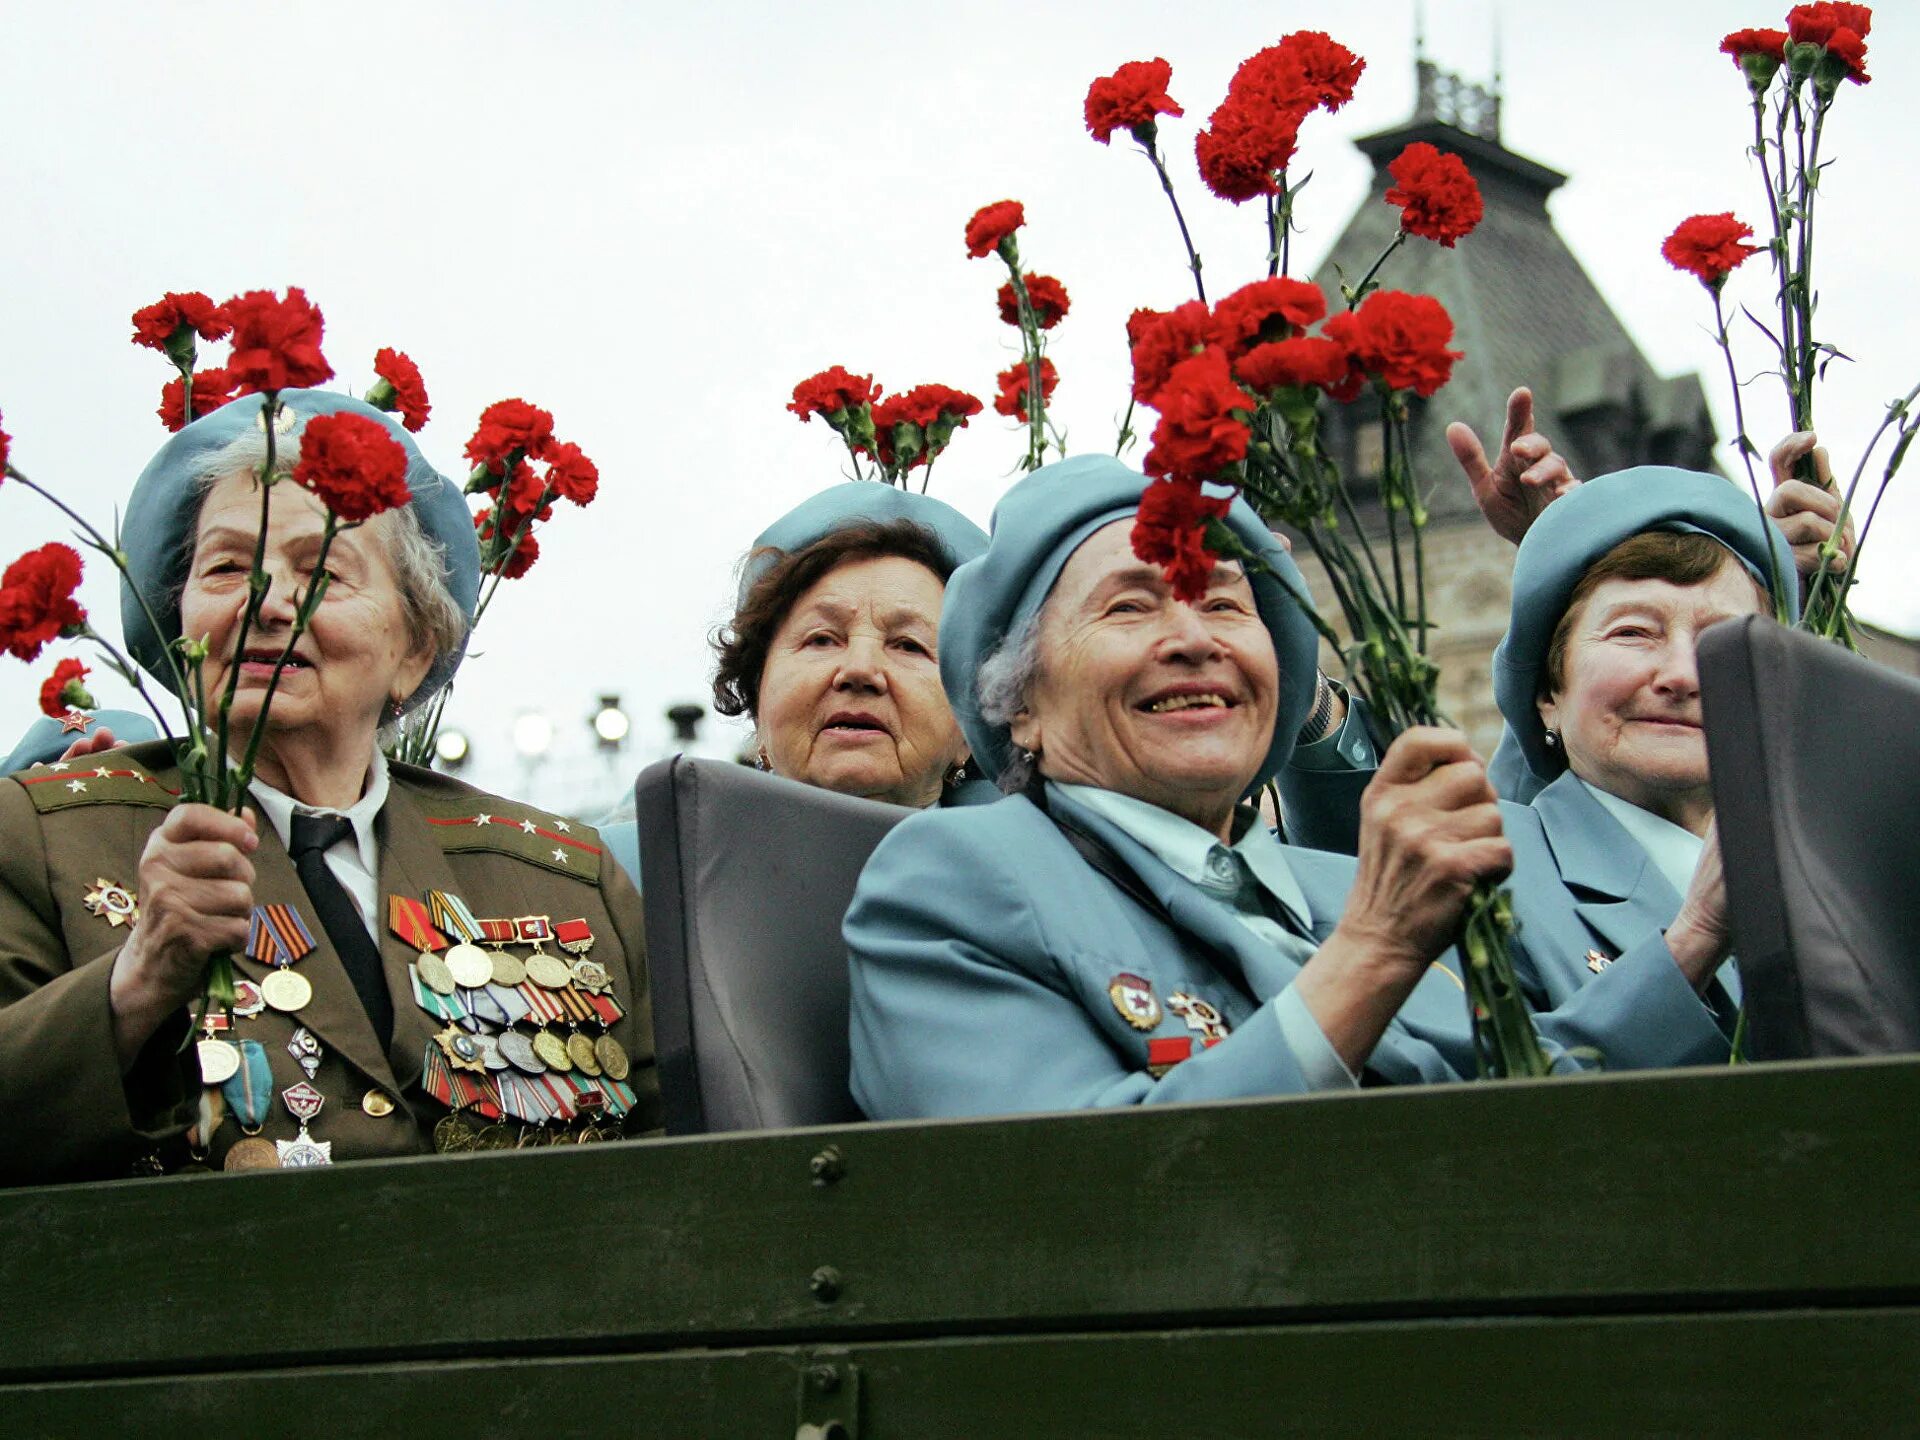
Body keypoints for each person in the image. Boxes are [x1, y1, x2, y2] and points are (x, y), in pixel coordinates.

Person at [0, 390, 657, 1183]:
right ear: (179, 627)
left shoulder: (562, 876)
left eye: (322, 572)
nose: (265, 602)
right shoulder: (41, 838)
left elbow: (670, 1161)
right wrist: (135, 982)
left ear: (415, 649)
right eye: (227, 567)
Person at [845, 455, 1556, 1119]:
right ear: (1020, 702)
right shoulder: (952, 876)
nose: (1195, 639)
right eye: (1129, 606)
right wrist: (1372, 953)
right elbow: (1059, 1196)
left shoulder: (1349, 889)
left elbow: (1565, 1094)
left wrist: (1675, 950)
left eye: (1222, 604)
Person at [1487, 464, 1801, 1066]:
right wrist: (1694, 941)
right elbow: (1473, 1125)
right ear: (1547, 693)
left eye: (1724, 641)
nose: (1683, 675)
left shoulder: (1837, 871)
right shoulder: (1471, 874)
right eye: (1634, 632)